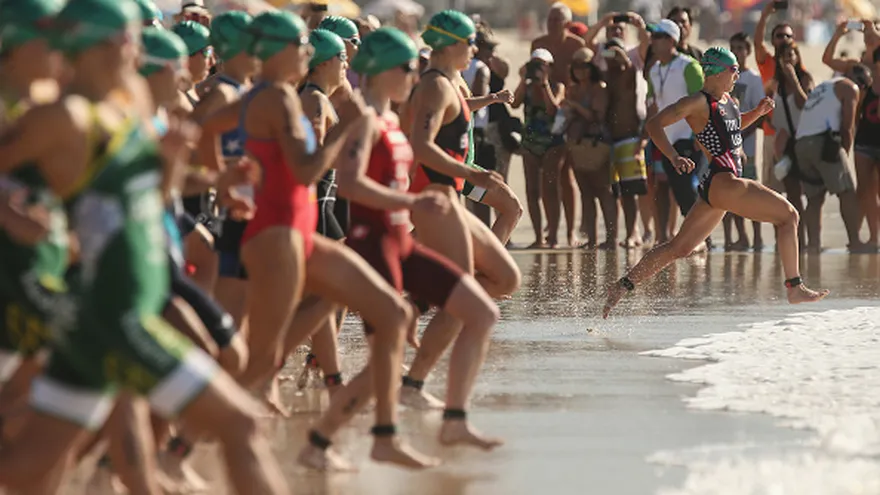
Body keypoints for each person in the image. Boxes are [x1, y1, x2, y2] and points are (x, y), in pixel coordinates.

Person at [0, 1, 289, 493]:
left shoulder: (125, 100)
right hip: (114, 316)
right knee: (240, 423)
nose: (137, 51)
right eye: (128, 39)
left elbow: (146, 197)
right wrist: (10, 213)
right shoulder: (62, 116)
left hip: (111, 308)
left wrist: (208, 176)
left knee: (30, 469)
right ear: (93, 45)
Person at [199, 10, 431, 468]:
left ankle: (381, 434)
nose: (309, 53)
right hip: (277, 233)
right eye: (302, 46)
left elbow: (204, 129)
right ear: (277, 52)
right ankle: (182, 445)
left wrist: (224, 182)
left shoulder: (265, 96)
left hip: (299, 230)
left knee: (391, 312)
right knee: (263, 359)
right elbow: (306, 171)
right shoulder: (277, 100)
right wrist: (347, 131)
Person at [299, 27, 503, 470]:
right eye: (408, 67)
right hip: (374, 245)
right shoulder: (366, 123)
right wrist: (412, 201)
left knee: (482, 312)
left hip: (401, 243)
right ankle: (352, 439)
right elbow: (350, 183)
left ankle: (453, 419)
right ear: (382, 71)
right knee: (382, 362)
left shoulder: (391, 120)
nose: (416, 74)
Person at [604, 47, 829, 319]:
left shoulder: (729, 101)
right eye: (733, 71)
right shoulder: (697, 102)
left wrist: (756, 113)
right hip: (725, 180)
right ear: (717, 72)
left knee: (680, 247)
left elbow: (732, 130)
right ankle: (794, 287)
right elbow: (654, 125)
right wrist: (674, 157)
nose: (737, 76)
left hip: (717, 188)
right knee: (789, 216)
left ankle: (622, 286)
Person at [399, 11, 520, 431]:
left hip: (450, 200)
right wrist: (472, 173)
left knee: (504, 279)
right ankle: (421, 389)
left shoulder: (449, 83)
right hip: (436, 200)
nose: (475, 50)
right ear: (451, 44)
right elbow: (420, 145)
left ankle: (411, 308)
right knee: (473, 300)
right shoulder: (433, 85)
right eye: (470, 43)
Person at [793, 65, 872, 252]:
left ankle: (813, 245)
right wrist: (844, 152)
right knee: (846, 192)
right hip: (823, 142)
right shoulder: (850, 88)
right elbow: (847, 127)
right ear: (861, 84)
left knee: (814, 197)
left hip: (801, 143)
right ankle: (855, 241)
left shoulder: (826, 85)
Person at [529, 2, 586, 247]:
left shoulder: (576, 45)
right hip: (543, 111)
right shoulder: (537, 44)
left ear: (566, 23)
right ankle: (548, 232)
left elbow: (585, 77)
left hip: (570, 110)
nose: (552, 24)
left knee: (567, 175)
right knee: (547, 180)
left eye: (557, 20)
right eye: (550, 19)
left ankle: (571, 232)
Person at [645, 19, 705, 245]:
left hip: (687, 137)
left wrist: (700, 136)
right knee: (665, 188)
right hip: (664, 141)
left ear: (671, 40)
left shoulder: (688, 66)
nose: (653, 41)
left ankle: (699, 238)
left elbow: (701, 103)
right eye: (653, 36)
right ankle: (676, 237)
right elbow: (652, 105)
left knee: (686, 191)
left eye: (658, 37)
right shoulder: (654, 70)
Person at [824, 22, 880, 249]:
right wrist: (838, 33)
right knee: (865, 191)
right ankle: (868, 239)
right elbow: (827, 60)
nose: (868, 34)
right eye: (865, 30)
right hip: (864, 139)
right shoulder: (857, 68)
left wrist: (874, 34)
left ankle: (871, 238)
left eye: (873, 30)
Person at [562, 48, 616, 249]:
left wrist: (574, 106)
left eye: (584, 65)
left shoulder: (598, 88)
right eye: (576, 66)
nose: (580, 70)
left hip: (597, 143)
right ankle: (592, 239)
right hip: (578, 144)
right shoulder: (573, 89)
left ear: (591, 67)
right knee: (585, 192)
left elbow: (597, 116)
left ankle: (611, 239)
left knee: (604, 191)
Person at [513, 48, 567, 247]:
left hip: (552, 142)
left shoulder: (557, 86)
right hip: (530, 142)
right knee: (532, 191)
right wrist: (522, 79)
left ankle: (552, 236)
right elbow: (515, 103)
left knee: (550, 189)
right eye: (534, 64)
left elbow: (553, 108)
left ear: (550, 67)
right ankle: (538, 237)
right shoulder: (526, 87)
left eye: (541, 64)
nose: (537, 68)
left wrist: (544, 83)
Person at [602, 38, 651, 249]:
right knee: (613, 192)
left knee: (630, 192)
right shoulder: (606, 77)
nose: (613, 59)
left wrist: (620, 53)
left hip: (629, 138)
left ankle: (632, 233)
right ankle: (612, 236)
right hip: (609, 139)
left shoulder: (629, 74)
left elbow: (630, 66)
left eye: (616, 55)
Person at [771, 42, 812, 249]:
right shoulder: (775, 83)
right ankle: (787, 241)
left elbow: (807, 105)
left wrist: (794, 80)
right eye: (784, 55)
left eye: (792, 54)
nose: (789, 59)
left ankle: (804, 242)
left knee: (800, 195)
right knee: (784, 194)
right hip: (782, 144)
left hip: (801, 143)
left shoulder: (804, 78)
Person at [727, 32, 766, 251]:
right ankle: (740, 237)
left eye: (741, 48)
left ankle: (758, 238)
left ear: (748, 51)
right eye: (733, 48)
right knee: (732, 196)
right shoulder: (725, 78)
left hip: (748, 147)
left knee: (752, 196)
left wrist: (739, 135)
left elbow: (760, 115)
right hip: (728, 149)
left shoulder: (753, 79)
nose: (737, 52)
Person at [755, 1, 795, 196]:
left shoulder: (799, 68)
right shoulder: (767, 62)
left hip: (794, 133)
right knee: (771, 189)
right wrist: (765, 15)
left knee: (795, 188)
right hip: (771, 132)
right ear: (773, 40)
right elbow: (757, 43)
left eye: (788, 36)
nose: (784, 39)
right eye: (779, 36)